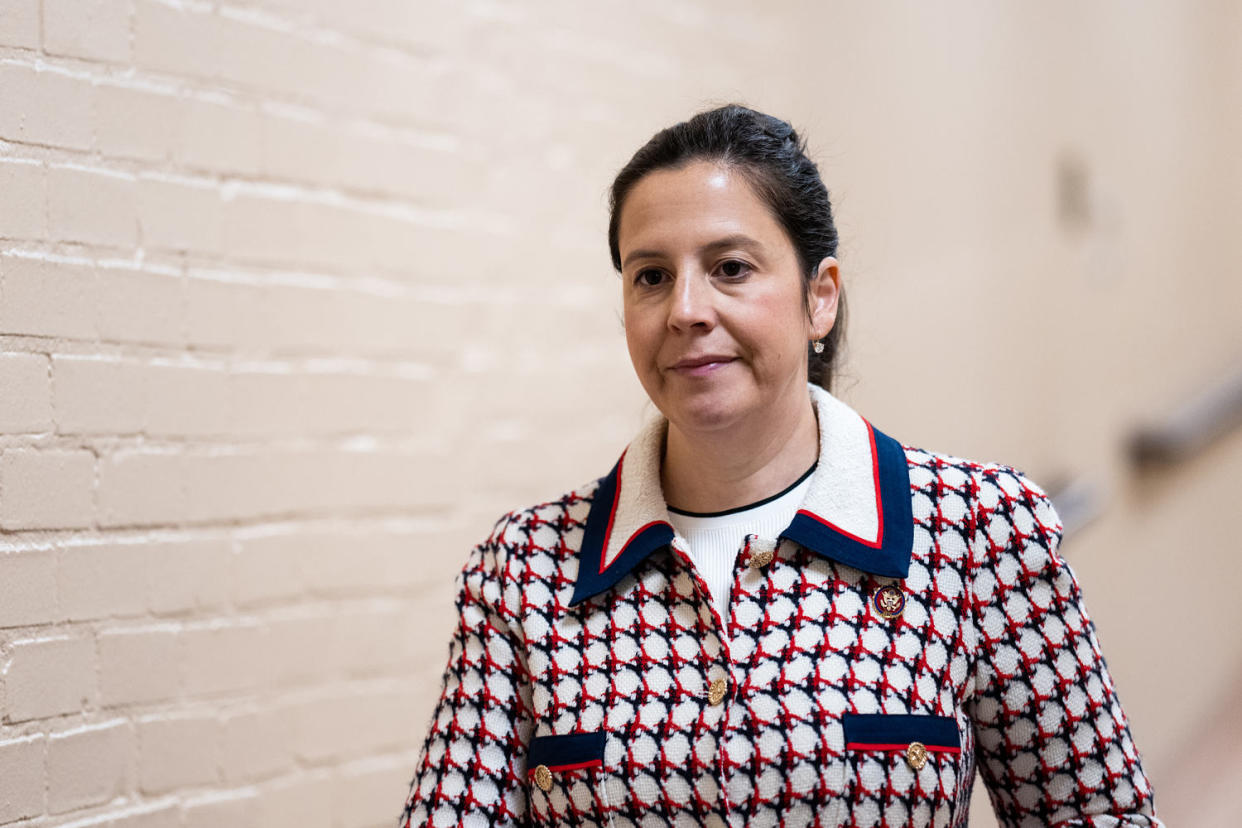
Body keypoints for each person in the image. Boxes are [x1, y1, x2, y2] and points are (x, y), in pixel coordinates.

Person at [399, 105, 1163, 828]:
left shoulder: (979, 534)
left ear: (818, 299)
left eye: (730, 267)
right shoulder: (524, 572)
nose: (685, 310)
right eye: (651, 276)